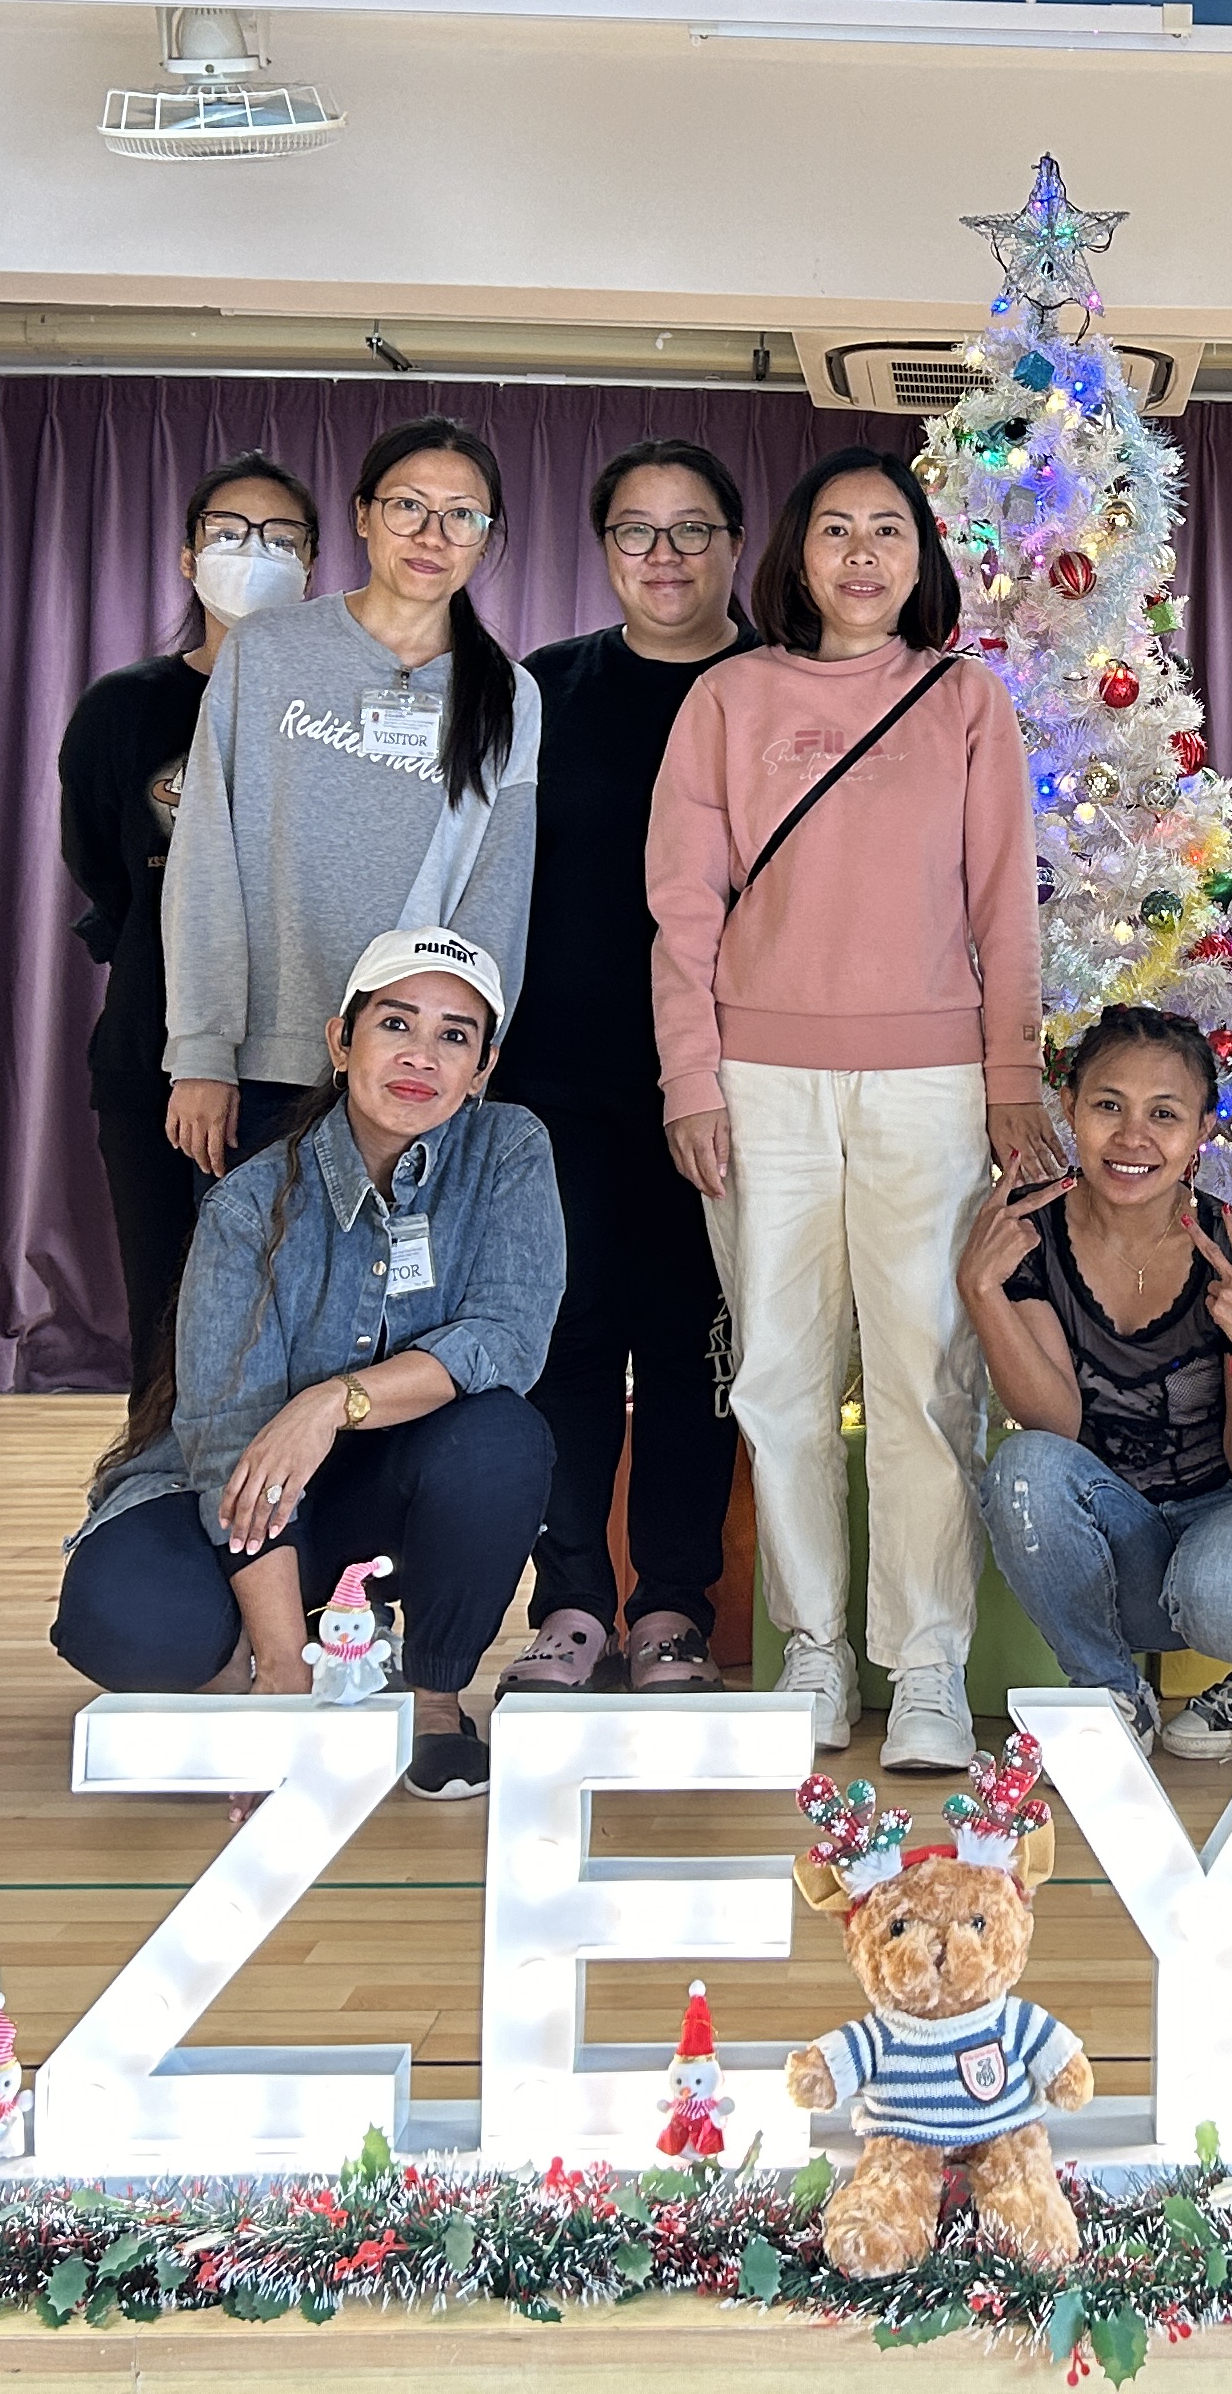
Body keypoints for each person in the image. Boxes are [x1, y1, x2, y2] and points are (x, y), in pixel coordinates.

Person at [650, 446, 1058, 1773]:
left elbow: (1004, 906)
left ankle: (926, 1663)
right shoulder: (727, 698)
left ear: (922, 558)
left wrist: (1010, 1078)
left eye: (890, 529)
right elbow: (683, 909)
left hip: (930, 1082)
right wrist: (690, 1077)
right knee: (777, 1373)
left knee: (925, 1375)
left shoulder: (964, 699)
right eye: (836, 529)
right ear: (799, 554)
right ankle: (815, 1648)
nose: (863, 553)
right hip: (759, 1081)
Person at [52, 927, 565, 1803]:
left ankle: (432, 1703)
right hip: (245, 1494)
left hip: (399, 1487)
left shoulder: (508, 1150)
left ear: (482, 1068)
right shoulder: (248, 1204)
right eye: (395, 1024)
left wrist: (332, 1402)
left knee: (501, 1439)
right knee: (123, 1618)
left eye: (454, 1036)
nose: (422, 1056)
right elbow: (228, 1440)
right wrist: (285, 1673)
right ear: (340, 1041)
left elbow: (507, 1337)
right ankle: (282, 1657)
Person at [490, 440, 758, 1697]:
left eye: (693, 528)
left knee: (697, 1345)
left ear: (736, 545)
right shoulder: (543, 690)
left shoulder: (780, 689)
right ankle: (573, 1605)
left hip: (729, 1080)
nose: (665, 555)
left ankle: (672, 1610)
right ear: (603, 549)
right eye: (637, 531)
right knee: (573, 1337)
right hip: (561, 1079)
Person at [160, 418, 542, 1174]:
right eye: (408, 506)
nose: (432, 535)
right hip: (263, 1062)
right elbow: (205, 858)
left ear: (485, 537)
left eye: (461, 516)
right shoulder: (265, 650)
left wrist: (464, 1058)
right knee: (257, 1255)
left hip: (415, 1074)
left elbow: (497, 897)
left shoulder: (507, 693)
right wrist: (202, 1051)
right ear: (363, 515)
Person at [965, 1008, 1232, 1764]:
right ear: (1070, 1108)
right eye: (1109, 1106)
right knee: (1022, 1469)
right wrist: (981, 1292)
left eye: (1164, 1114)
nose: (1132, 1138)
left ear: (1202, 1131)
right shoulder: (1031, 1233)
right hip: (1121, 1540)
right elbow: (1055, 1428)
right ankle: (1109, 1696)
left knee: (1220, 1593)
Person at [60, 452, 317, 1396]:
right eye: (229, 534)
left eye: (281, 538)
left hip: (301, 1059)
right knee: (169, 1318)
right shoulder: (124, 708)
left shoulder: (335, 707)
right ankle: (158, 1483)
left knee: (288, 1316)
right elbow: (102, 865)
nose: (254, 553)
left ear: (314, 565)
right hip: (153, 1047)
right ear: (187, 556)